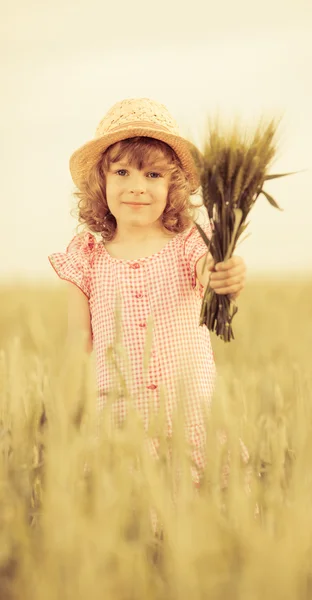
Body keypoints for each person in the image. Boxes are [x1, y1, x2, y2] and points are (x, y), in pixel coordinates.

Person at [48, 97, 248, 489]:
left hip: (193, 422)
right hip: (121, 428)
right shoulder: (86, 259)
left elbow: (210, 270)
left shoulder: (190, 241)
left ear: (174, 185)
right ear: (100, 182)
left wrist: (226, 275)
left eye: (153, 176)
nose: (137, 187)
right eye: (122, 172)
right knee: (135, 535)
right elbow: (78, 341)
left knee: (203, 526)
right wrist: (63, 414)